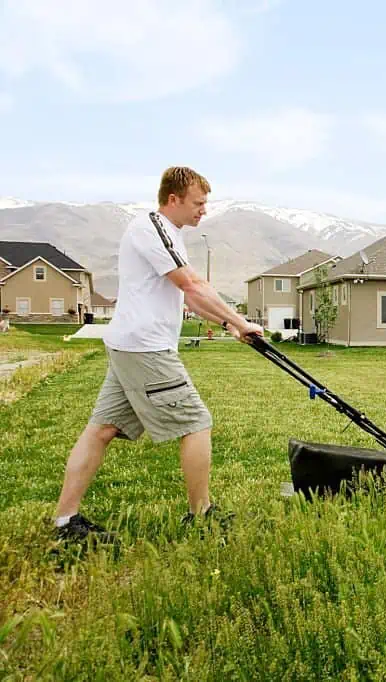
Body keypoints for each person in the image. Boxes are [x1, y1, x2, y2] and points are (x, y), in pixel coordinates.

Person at [52, 166, 264, 543]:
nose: (204, 210)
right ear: (174, 199)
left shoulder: (170, 234)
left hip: (130, 344)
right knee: (196, 422)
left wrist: (230, 325)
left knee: (101, 430)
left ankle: (65, 523)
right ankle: (202, 515)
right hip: (145, 346)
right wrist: (238, 319)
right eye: (198, 203)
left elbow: (187, 296)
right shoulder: (152, 229)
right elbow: (192, 285)